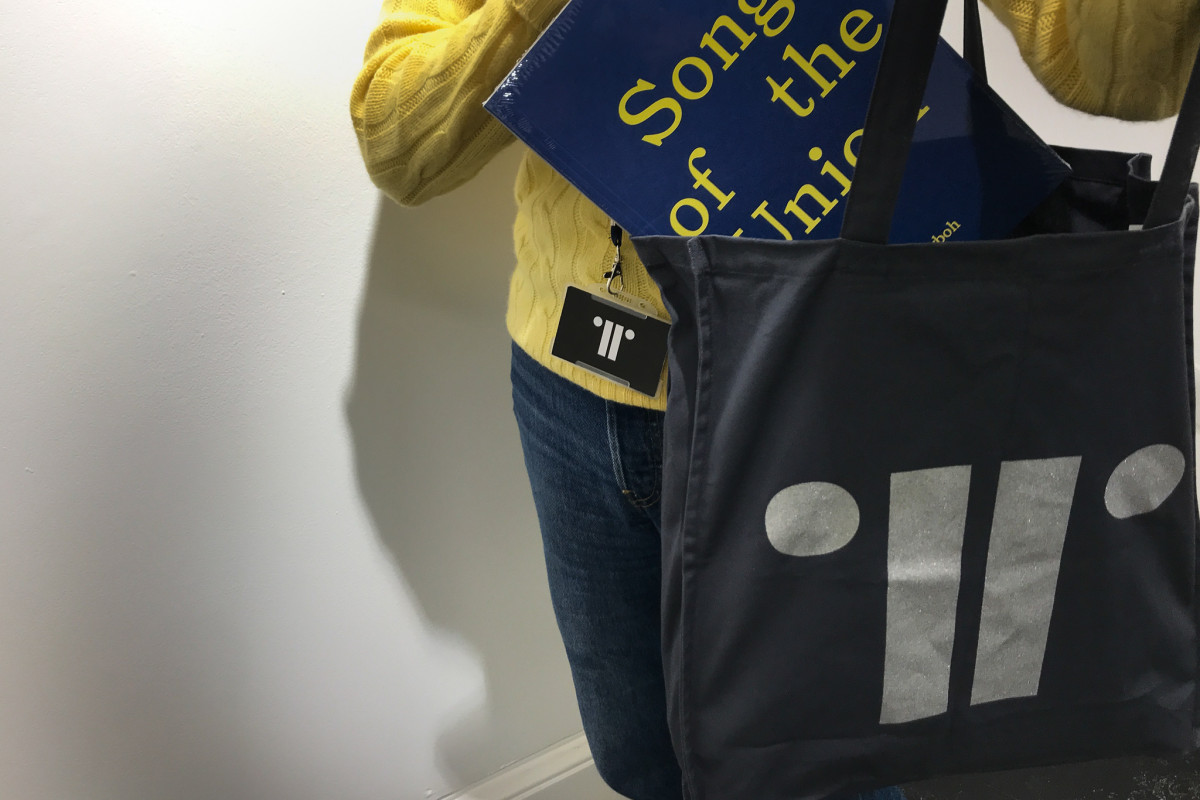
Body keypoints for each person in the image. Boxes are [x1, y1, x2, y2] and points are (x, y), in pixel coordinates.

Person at [350, 2, 1200, 797]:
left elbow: (1125, 74)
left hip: (826, 384)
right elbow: (398, 142)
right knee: (639, 755)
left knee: (834, 763)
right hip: (576, 388)